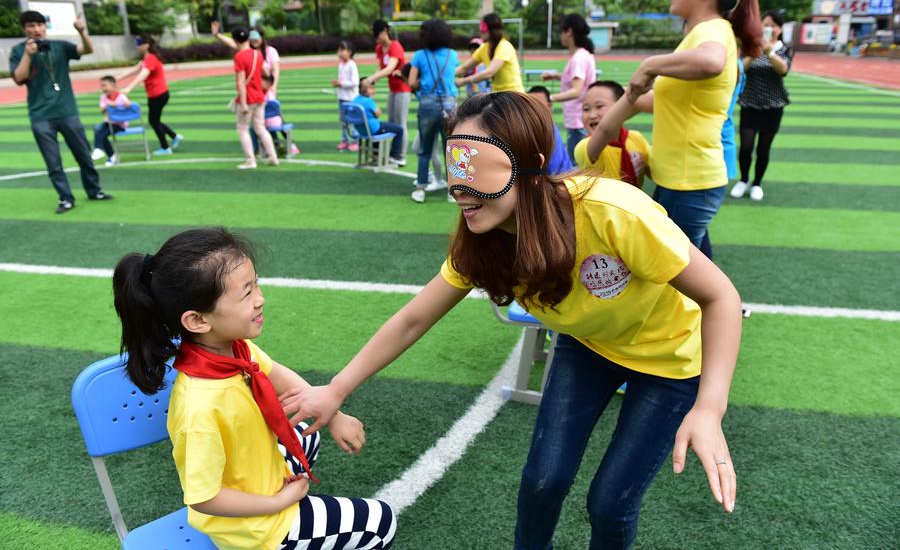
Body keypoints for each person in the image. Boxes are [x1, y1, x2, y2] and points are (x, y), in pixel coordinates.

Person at [281, 92, 742, 549]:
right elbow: (412, 320)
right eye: (456, 168)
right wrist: (337, 388)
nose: (460, 190)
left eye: (478, 168)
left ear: (531, 165)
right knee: (542, 481)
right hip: (589, 345)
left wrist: (709, 408)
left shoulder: (614, 212)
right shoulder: (482, 243)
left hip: (670, 361)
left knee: (610, 505)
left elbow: (721, 296)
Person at [111, 227, 396, 550]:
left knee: (307, 431)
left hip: (261, 473)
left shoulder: (234, 349)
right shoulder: (199, 407)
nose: (261, 299)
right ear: (198, 321)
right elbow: (205, 498)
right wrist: (279, 501)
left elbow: (279, 375)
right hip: (253, 529)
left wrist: (334, 415)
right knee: (381, 524)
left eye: (255, 284)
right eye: (246, 294)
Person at [586, 0, 761, 259]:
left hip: (688, 181)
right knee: (694, 264)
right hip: (682, 179)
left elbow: (712, 61)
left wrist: (650, 65)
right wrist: (614, 103)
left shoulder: (711, 29)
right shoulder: (701, 34)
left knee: (672, 273)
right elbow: (665, 101)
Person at [9, 10, 113, 214]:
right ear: (24, 29)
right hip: (40, 116)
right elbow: (19, 78)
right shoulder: (18, 50)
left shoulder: (60, 46)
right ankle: (66, 198)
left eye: (40, 25)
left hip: (67, 111)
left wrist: (82, 32)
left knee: (84, 155)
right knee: (53, 162)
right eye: (31, 25)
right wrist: (28, 55)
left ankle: (94, 191)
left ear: (45, 26)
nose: (36, 29)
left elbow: (87, 49)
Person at [731, 10, 792, 202]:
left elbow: (783, 70)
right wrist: (755, 50)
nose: (769, 29)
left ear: (780, 29)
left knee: (763, 149)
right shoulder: (750, 48)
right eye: (765, 25)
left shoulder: (784, 49)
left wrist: (769, 51)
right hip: (750, 103)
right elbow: (740, 70)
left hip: (773, 106)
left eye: (773, 25)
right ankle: (743, 180)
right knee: (746, 147)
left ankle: (757, 183)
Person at [407, 19, 460, 204]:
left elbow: (411, 82)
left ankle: (420, 189)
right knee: (450, 150)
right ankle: (453, 191)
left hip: (428, 105)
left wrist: (421, 83)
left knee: (425, 150)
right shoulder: (452, 54)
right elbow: (454, 76)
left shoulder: (420, 55)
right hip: (449, 107)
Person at [574, 81, 652, 188]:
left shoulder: (636, 138)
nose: (592, 115)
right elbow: (605, 130)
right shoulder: (583, 148)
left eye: (599, 106)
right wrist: (633, 93)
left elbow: (655, 172)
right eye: (586, 109)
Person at [542, 14, 597, 160]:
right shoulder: (583, 54)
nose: (561, 35)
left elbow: (577, 90)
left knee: (576, 163)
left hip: (577, 120)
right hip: (579, 119)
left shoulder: (578, 58)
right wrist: (555, 76)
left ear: (569, 32)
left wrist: (550, 98)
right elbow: (578, 80)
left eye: (562, 31)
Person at [120, 35, 183, 156]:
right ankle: (174, 137)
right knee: (155, 120)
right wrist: (115, 79)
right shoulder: (147, 58)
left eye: (140, 43)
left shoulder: (150, 58)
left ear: (147, 45)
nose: (138, 46)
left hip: (158, 94)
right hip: (157, 94)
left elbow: (142, 75)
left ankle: (165, 147)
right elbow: (134, 69)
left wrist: (129, 88)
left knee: (154, 121)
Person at [231, 27, 279, 170]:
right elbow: (266, 73)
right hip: (259, 96)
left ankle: (250, 160)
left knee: (242, 128)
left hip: (248, 98)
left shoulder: (239, 56)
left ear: (235, 40)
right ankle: (273, 157)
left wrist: (243, 103)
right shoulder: (257, 53)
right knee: (261, 128)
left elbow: (241, 82)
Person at [365, 20, 411, 166]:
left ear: (385, 31)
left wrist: (372, 79)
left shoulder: (395, 46)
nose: (376, 38)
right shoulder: (379, 48)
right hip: (393, 89)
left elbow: (390, 68)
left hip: (403, 89)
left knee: (400, 122)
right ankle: (391, 153)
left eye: (377, 34)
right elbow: (381, 67)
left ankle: (401, 156)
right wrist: (372, 80)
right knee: (391, 122)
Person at [399, 62, 445, 191]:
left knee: (433, 153)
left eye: (406, 79)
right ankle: (428, 175)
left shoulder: (425, 86)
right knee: (416, 147)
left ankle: (439, 180)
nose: (406, 82)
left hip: (434, 120)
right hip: (428, 120)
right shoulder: (417, 86)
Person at [455, 13, 524, 93]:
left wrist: (464, 81)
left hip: (514, 94)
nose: (480, 31)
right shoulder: (484, 48)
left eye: (483, 28)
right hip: (497, 94)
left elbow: (489, 72)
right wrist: (447, 74)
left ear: (493, 30)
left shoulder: (504, 47)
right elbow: (464, 68)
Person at [212, 22, 281, 96]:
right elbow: (232, 42)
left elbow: (275, 71)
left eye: (256, 38)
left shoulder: (271, 51)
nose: (253, 40)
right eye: (251, 38)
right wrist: (217, 35)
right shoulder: (247, 51)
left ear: (262, 37)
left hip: (267, 90)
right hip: (252, 92)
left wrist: (273, 87)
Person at [352, 79, 405, 163]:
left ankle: (376, 154)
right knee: (399, 129)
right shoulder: (368, 101)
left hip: (361, 130)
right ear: (366, 90)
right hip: (372, 129)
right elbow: (378, 113)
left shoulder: (355, 100)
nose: (374, 91)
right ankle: (394, 156)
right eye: (371, 88)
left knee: (379, 127)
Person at [526, 85, 574, 175]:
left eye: (539, 105)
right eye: (530, 106)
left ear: (549, 106)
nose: (534, 110)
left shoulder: (550, 131)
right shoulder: (538, 129)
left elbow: (553, 169)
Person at [92, 75, 133, 166]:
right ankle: (99, 149)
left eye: (105, 85)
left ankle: (111, 156)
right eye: (101, 86)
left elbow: (130, 106)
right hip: (109, 122)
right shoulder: (103, 97)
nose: (103, 88)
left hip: (120, 124)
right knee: (97, 129)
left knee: (102, 135)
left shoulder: (121, 96)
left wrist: (118, 105)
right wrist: (107, 105)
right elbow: (102, 111)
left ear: (113, 85)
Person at [257, 73, 300, 156]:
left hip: (266, 122)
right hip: (275, 121)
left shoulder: (263, 94)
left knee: (259, 127)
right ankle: (291, 145)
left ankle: (266, 148)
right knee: (279, 124)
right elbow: (277, 110)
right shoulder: (271, 94)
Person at [333, 40, 360, 152]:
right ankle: (345, 139)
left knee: (352, 121)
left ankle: (356, 140)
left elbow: (355, 82)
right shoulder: (341, 65)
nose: (339, 52)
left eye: (342, 50)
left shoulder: (352, 65)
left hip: (351, 98)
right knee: (343, 121)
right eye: (339, 50)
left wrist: (341, 84)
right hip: (342, 97)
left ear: (349, 52)